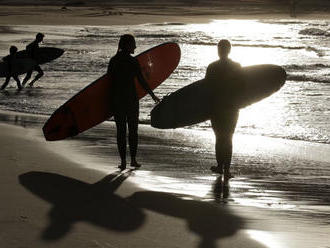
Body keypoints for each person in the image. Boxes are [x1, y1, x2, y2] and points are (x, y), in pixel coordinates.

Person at [107, 34, 160, 170]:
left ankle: (124, 161)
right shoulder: (133, 62)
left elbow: (108, 83)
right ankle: (133, 160)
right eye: (133, 44)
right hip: (131, 100)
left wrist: (108, 102)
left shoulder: (114, 61)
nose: (135, 46)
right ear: (127, 45)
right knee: (133, 131)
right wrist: (152, 94)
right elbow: (142, 81)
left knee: (121, 131)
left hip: (118, 100)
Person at [204, 39, 244, 179]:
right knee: (226, 137)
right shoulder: (237, 66)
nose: (220, 51)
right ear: (229, 50)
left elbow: (206, 89)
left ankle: (222, 167)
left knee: (221, 137)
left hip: (218, 107)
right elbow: (242, 88)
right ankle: (224, 168)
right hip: (231, 107)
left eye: (220, 49)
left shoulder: (212, 67)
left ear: (223, 50)